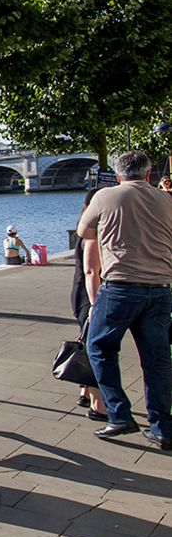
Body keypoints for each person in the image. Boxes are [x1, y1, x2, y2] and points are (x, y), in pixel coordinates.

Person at [77, 151, 172, 450]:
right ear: (149, 174)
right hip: (160, 289)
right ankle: (162, 428)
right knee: (157, 360)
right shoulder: (167, 200)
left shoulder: (105, 197)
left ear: (118, 175)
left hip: (120, 287)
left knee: (99, 346)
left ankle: (119, 414)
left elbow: (83, 232)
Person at [71, 189, 107, 421]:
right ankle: (99, 405)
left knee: (87, 341)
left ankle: (85, 391)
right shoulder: (92, 235)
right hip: (88, 295)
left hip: (81, 292)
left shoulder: (84, 229)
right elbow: (92, 271)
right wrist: (96, 304)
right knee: (95, 347)